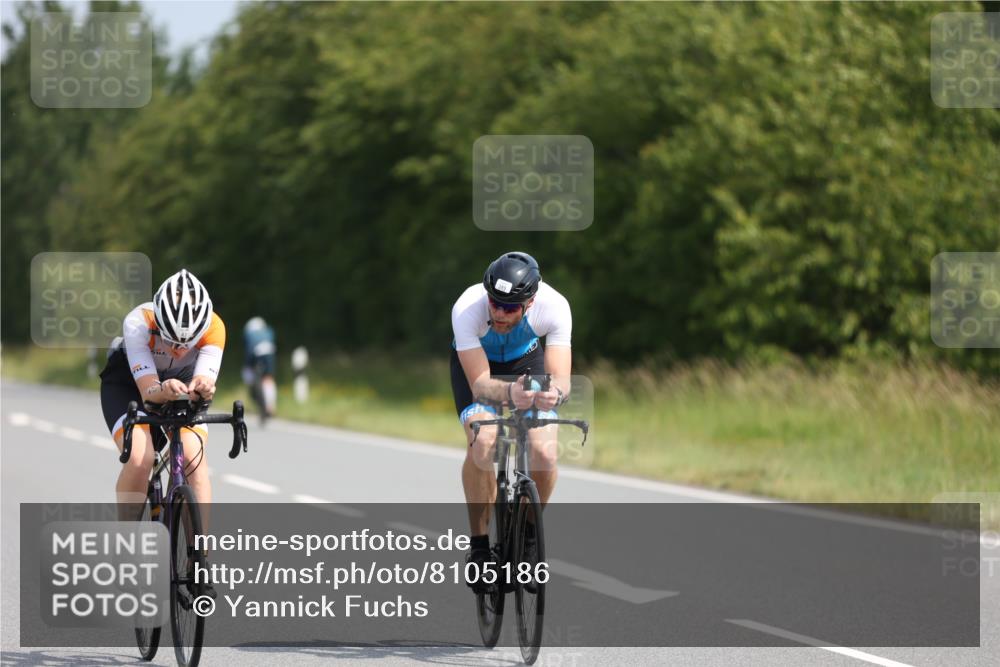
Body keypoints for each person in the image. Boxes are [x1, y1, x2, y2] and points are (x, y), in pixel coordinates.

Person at [450, 252, 572, 591]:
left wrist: (554, 395)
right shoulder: (467, 308)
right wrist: (509, 395)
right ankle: (478, 550)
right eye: (495, 304)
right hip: (480, 370)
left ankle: (529, 541)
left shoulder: (555, 306)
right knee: (482, 441)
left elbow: (561, 378)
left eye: (510, 308)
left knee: (544, 452)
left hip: (525, 365)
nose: (500, 314)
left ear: (530, 303)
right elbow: (480, 385)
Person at [100, 269, 224, 522]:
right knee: (140, 458)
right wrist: (163, 390)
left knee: (194, 461)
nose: (178, 350)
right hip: (129, 385)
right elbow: (148, 392)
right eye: (171, 341)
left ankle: (200, 556)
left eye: (187, 344)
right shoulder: (139, 322)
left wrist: (203, 388)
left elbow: (203, 382)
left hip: (182, 384)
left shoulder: (215, 327)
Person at [242, 316, 277, 419]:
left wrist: (247, 365)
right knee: (268, 378)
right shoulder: (268, 331)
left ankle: (260, 402)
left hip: (256, 355)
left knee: (253, 379)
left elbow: (249, 351)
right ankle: (271, 406)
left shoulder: (249, 334)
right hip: (270, 354)